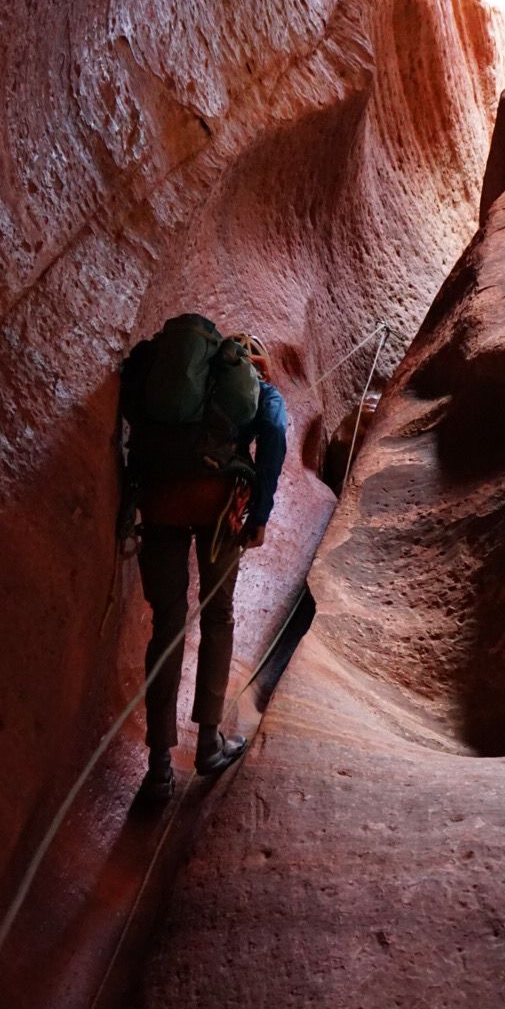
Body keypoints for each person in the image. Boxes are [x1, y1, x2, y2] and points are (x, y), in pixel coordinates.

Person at [121, 326, 287, 800]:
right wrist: (260, 514)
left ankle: (157, 769)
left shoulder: (172, 383)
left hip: (160, 499)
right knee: (217, 615)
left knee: (167, 624)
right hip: (217, 505)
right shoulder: (259, 389)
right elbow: (273, 432)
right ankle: (209, 743)